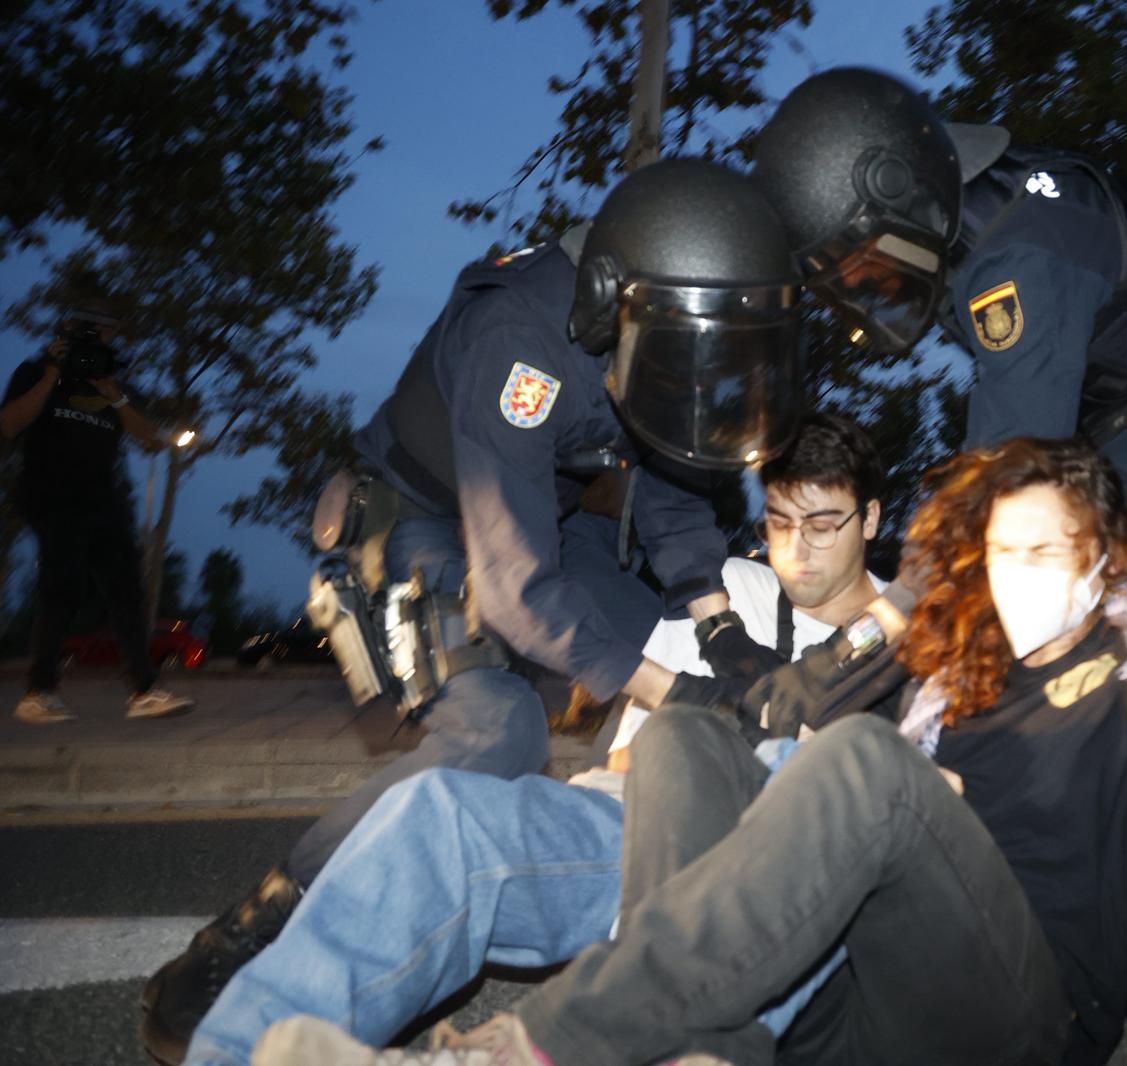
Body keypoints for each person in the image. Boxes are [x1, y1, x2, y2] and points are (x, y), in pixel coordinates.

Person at [253, 293, 1127, 1066]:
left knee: (868, 774)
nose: (1025, 580)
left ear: (1108, 558)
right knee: (689, 750)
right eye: (1003, 553)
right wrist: (667, 707)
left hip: (1021, 1007)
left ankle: (518, 1056)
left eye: (1056, 553)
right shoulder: (945, 651)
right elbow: (777, 708)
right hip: (862, 999)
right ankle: (703, 1049)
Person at [139, 158, 808, 1064]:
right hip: (419, 521)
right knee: (500, 731)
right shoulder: (521, 340)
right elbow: (516, 589)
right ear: (616, 305)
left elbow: (671, 488)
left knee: (666, 636)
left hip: (538, 518)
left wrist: (723, 637)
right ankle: (252, 932)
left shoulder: (658, 326)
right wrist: (678, 694)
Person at [178, 413, 888, 1066]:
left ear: (872, 519)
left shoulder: (915, 638)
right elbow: (628, 755)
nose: (796, 549)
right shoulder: (726, 589)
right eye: (779, 523)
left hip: (777, 855)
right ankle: (234, 1051)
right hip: (636, 822)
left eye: (823, 524)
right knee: (439, 809)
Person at [751, 66, 1127, 507]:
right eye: (837, 275)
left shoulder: (1014, 260)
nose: (858, 282)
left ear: (899, 196)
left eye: (857, 258)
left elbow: (1007, 468)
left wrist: (906, 605)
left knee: (1097, 599)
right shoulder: (965, 221)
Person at [0, 299, 195, 724]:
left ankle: (144, 691)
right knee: (61, 586)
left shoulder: (117, 383)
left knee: (127, 590)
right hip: (50, 493)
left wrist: (116, 395)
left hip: (104, 497)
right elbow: (11, 423)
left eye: (105, 331)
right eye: (87, 330)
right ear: (67, 330)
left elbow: (150, 439)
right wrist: (53, 372)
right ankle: (39, 691)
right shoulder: (36, 371)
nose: (98, 338)